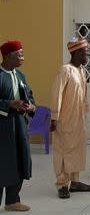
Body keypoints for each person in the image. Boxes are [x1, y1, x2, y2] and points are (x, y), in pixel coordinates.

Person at [50, 37, 90, 199]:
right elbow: (57, 94)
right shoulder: (65, 70)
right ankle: (62, 184)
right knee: (63, 152)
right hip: (64, 119)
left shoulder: (81, 70)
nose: (87, 54)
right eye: (85, 52)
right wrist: (54, 117)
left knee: (76, 151)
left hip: (78, 119)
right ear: (76, 53)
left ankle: (74, 182)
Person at [0, 41, 35, 212]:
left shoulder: (20, 75)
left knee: (19, 160)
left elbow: (29, 95)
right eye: (19, 54)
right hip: (2, 127)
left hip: (19, 124)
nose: (23, 57)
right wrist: (9, 104)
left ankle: (12, 201)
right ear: (7, 56)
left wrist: (31, 106)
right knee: (3, 162)